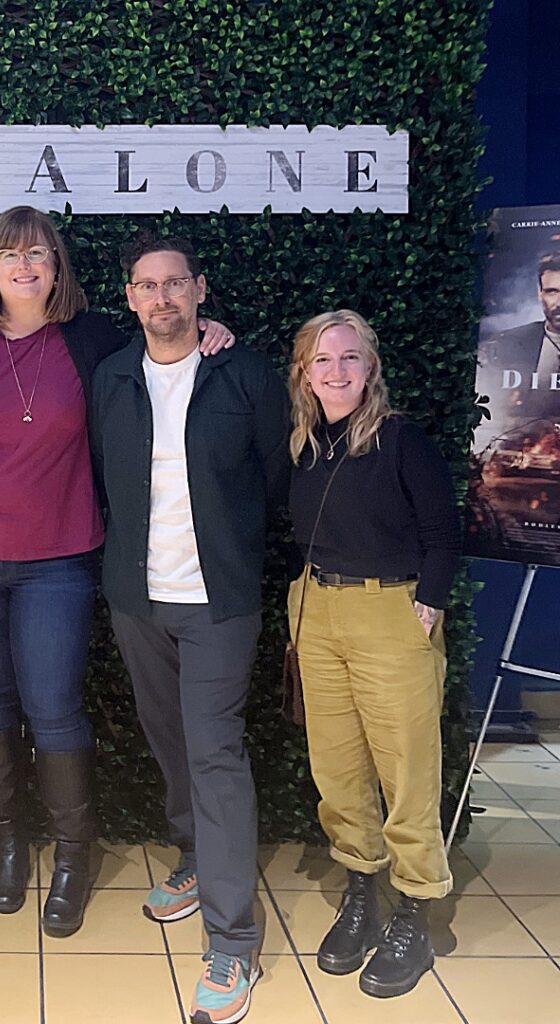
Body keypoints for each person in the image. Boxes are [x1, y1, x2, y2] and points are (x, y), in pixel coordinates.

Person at [0, 206, 234, 938]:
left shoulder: (92, 342)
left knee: (53, 703)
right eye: (10, 255)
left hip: (59, 556)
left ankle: (72, 856)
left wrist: (209, 333)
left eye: (39, 254)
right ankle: (7, 844)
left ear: (59, 268)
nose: (25, 267)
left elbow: (166, 359)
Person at [91, 233, 288, 1024]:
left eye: (176, 284)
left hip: (220, 600)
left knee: (214, 752)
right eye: (147, 286)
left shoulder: (242, 372)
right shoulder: (110, 376)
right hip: (137, 598)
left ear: (200, 290)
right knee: (168, 738)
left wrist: (238, 547)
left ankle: (233, 943)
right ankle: (197, 859)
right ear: (131, 297)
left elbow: (276, 476)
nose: (162, 298)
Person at [286, 309, 460, 998]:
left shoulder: (400, 440)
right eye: (322, 360)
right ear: (304, 372)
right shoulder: (303, 444)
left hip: (391, 610)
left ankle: (416, 907)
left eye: (349, 358)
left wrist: (428, 605)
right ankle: (362, 888)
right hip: (316, 609)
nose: (336, 371)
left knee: (406, 767)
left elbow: (444, 531)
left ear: (370, 366)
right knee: (338, 766)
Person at [478, 251, 560, 428]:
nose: (559, 303)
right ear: (540, 295)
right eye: (552, 292)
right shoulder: (505, 345)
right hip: (522, 447)